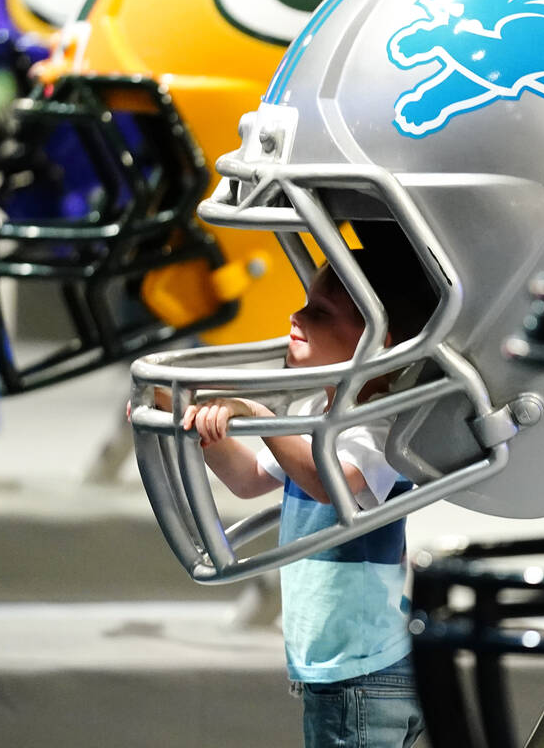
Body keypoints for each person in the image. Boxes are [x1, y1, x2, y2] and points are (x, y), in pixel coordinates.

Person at [176, 247, 433, 748]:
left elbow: (329, 480)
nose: (295, 317)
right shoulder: (319, 410)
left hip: (363, 670)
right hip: (340, 667)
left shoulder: (379, 426)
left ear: (379, 342)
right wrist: (198, 422)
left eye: (320, 312)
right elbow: (248, 479)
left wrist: (257, 413)